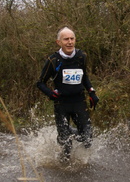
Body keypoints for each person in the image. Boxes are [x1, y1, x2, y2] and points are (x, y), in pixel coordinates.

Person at [37, 27, 99, 161]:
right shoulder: (53, 60)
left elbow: (84, 76)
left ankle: (71, 132)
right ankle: (64, 167)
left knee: (87, 139)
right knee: (66, 145)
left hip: (79, 102)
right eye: (66, 39)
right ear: (59, 42)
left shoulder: (82, 56)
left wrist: (92, 92)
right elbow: (40, 82)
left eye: (72, 39)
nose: (70, 42)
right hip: (61, 104)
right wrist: (50, 93)